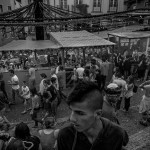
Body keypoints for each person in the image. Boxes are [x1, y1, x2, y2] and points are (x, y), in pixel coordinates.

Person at [57, 81, 129, 150]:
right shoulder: (65, 135)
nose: (72, 119)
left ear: (98, 114)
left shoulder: (117, 134)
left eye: (80, 113)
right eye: (71, 110)